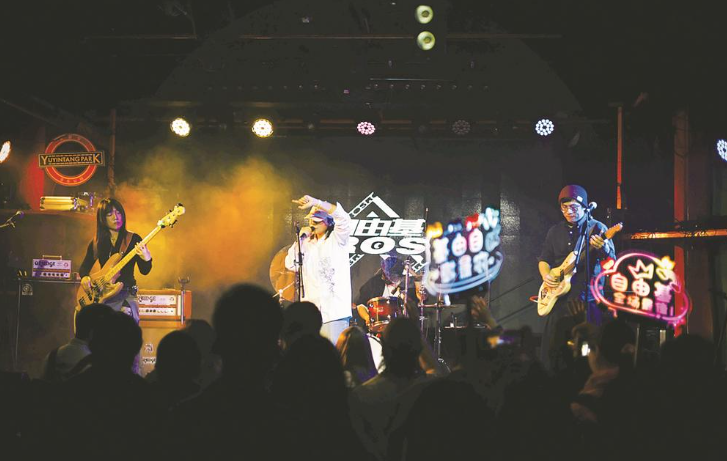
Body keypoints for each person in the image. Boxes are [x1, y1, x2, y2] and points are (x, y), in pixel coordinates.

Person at [538, 185, 616, 372]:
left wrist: (604, 248)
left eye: (573, 207)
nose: (568, 212)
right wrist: (546, 276)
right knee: (553, 350)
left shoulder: (597, 228)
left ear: (585, 206)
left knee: (587, 352)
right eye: (564, 208)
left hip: (587, 299)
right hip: (559, 299)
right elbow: (544, 260)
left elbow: (612, 262)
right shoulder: (555, 231)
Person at [285, 194, 353, 344]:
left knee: (332, 354)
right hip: (310, 314)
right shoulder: (305, 244)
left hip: (334, 313)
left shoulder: (337, 240)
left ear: (328, 222)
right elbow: (290, 264)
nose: (312, 224)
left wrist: (317, 202)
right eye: (311, 221)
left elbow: (343, 218)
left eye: (317, 221)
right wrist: (299, 240)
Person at [78, 198, 152, 323]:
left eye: (118, 212)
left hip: (125, 295)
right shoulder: (97, 242)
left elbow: (145, 271)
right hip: (103, 297)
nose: (115, 217)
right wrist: (85, 277)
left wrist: (147, 258)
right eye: (109, 214)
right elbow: (84, 268)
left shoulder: (133, 239)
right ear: (102, 218)